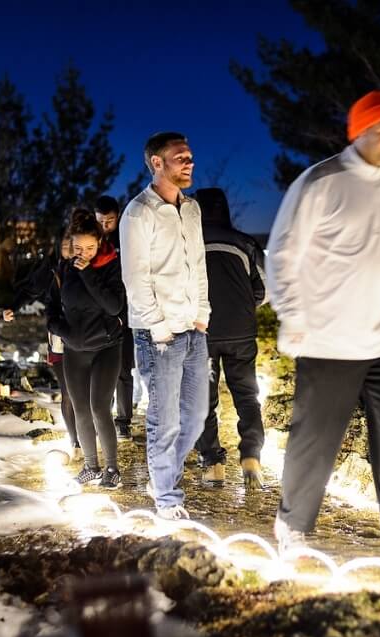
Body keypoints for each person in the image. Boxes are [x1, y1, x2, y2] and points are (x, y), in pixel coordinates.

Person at [266, 91, 380, 562]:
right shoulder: (320, 183)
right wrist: (294, 317)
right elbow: (283, 254)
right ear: (359, 130)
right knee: (315, 438)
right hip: (328, 338)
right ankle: (293, 525)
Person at [120, 131, 210, 521]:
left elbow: (199, 265)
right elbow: (135, 276)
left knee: (196, 416)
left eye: (190, 157)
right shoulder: (138, 213)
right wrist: (157, 326)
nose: (189, 163)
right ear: (157, 163)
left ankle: (161, 480)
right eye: (180, 158)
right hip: (160, 335)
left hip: (193, 328)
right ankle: (167, 498)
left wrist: (203, 313)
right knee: (165, 420)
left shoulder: (192, 209)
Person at [47, 208, 127, 489]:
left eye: (90, 247)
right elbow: (52, 310)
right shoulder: (64, 270)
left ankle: (112, 468)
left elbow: (114, 306)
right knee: (80, 408)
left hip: (106, 346)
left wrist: (90, 275)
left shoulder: (111, 265)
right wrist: (63, 330)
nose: (84, 253)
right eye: (79, 248)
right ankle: (91, 466)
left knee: (99, 407)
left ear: (100, 243)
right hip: (74, 350)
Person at [193, 187, 267, 488]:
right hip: (241, 332)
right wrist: (243, 307)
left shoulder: (188, 243)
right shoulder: (246, 242)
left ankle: (213, 464)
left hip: (203, 332)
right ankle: (251, 455)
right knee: (247, 395)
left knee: (203, 400)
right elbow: (262, 289)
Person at [4, 230, 81, 461]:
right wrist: (13, 307)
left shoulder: (87, 267)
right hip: (58, 338)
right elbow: (29, 289)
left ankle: (91, 434)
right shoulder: (50, 270)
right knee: (68, 392)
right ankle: (76, 441)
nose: (70, 248)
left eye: (73, 243)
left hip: (87, 338)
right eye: (66, 243)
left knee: (88, 394)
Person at [95, 194, 135, 442]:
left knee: (123, 370)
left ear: (117, 217)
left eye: (109, 220)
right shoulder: (92, 240)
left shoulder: (127, 239)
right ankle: (102, 416)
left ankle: (123, 421)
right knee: (101, 370)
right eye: (100, 220)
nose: (105, 226)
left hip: (127, 313)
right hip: (100, 315)